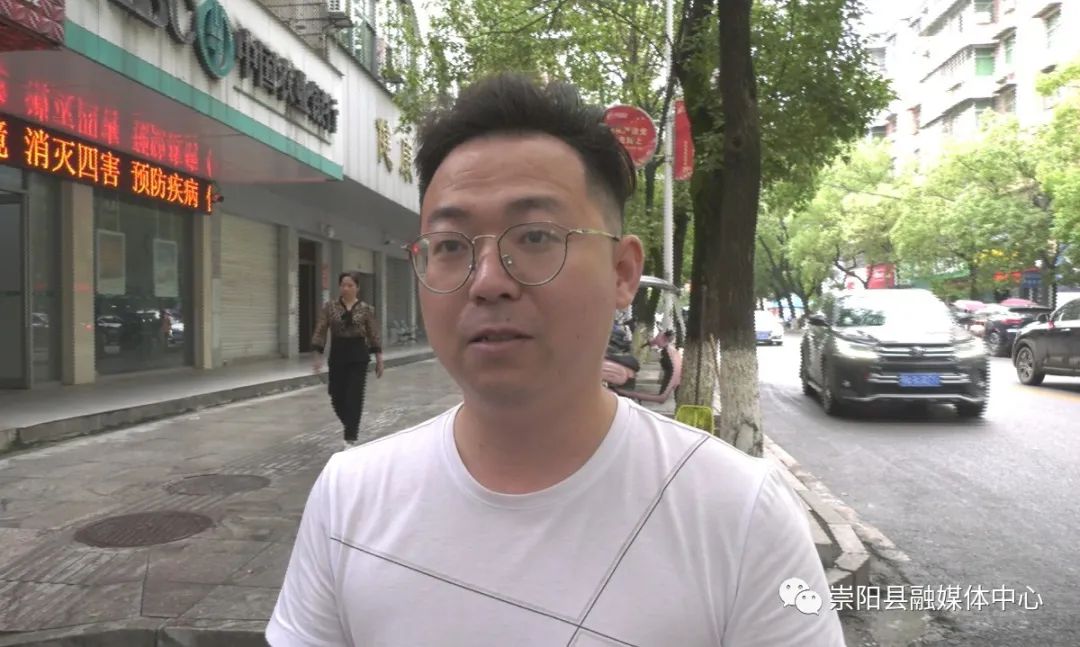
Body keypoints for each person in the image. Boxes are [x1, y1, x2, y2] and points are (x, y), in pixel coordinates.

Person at [268, 73, 843, 646]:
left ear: (622, 273)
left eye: (536, 237)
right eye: (450, 245)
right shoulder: (350, 497)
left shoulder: (740, 513)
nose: (487, 281)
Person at [311, 271, 384, 450]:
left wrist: (379, 358)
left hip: (358, 355)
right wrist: (317, 355)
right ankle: (350, 425)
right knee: (336, 396)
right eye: (343, 285)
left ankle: (350, 437)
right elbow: (321, 329)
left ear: (357, 287)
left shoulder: (366, 309)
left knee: (354, 396)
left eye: (350, 285)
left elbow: (373, 334)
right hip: (338, 354)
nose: (346, 288)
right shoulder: (330, 307)